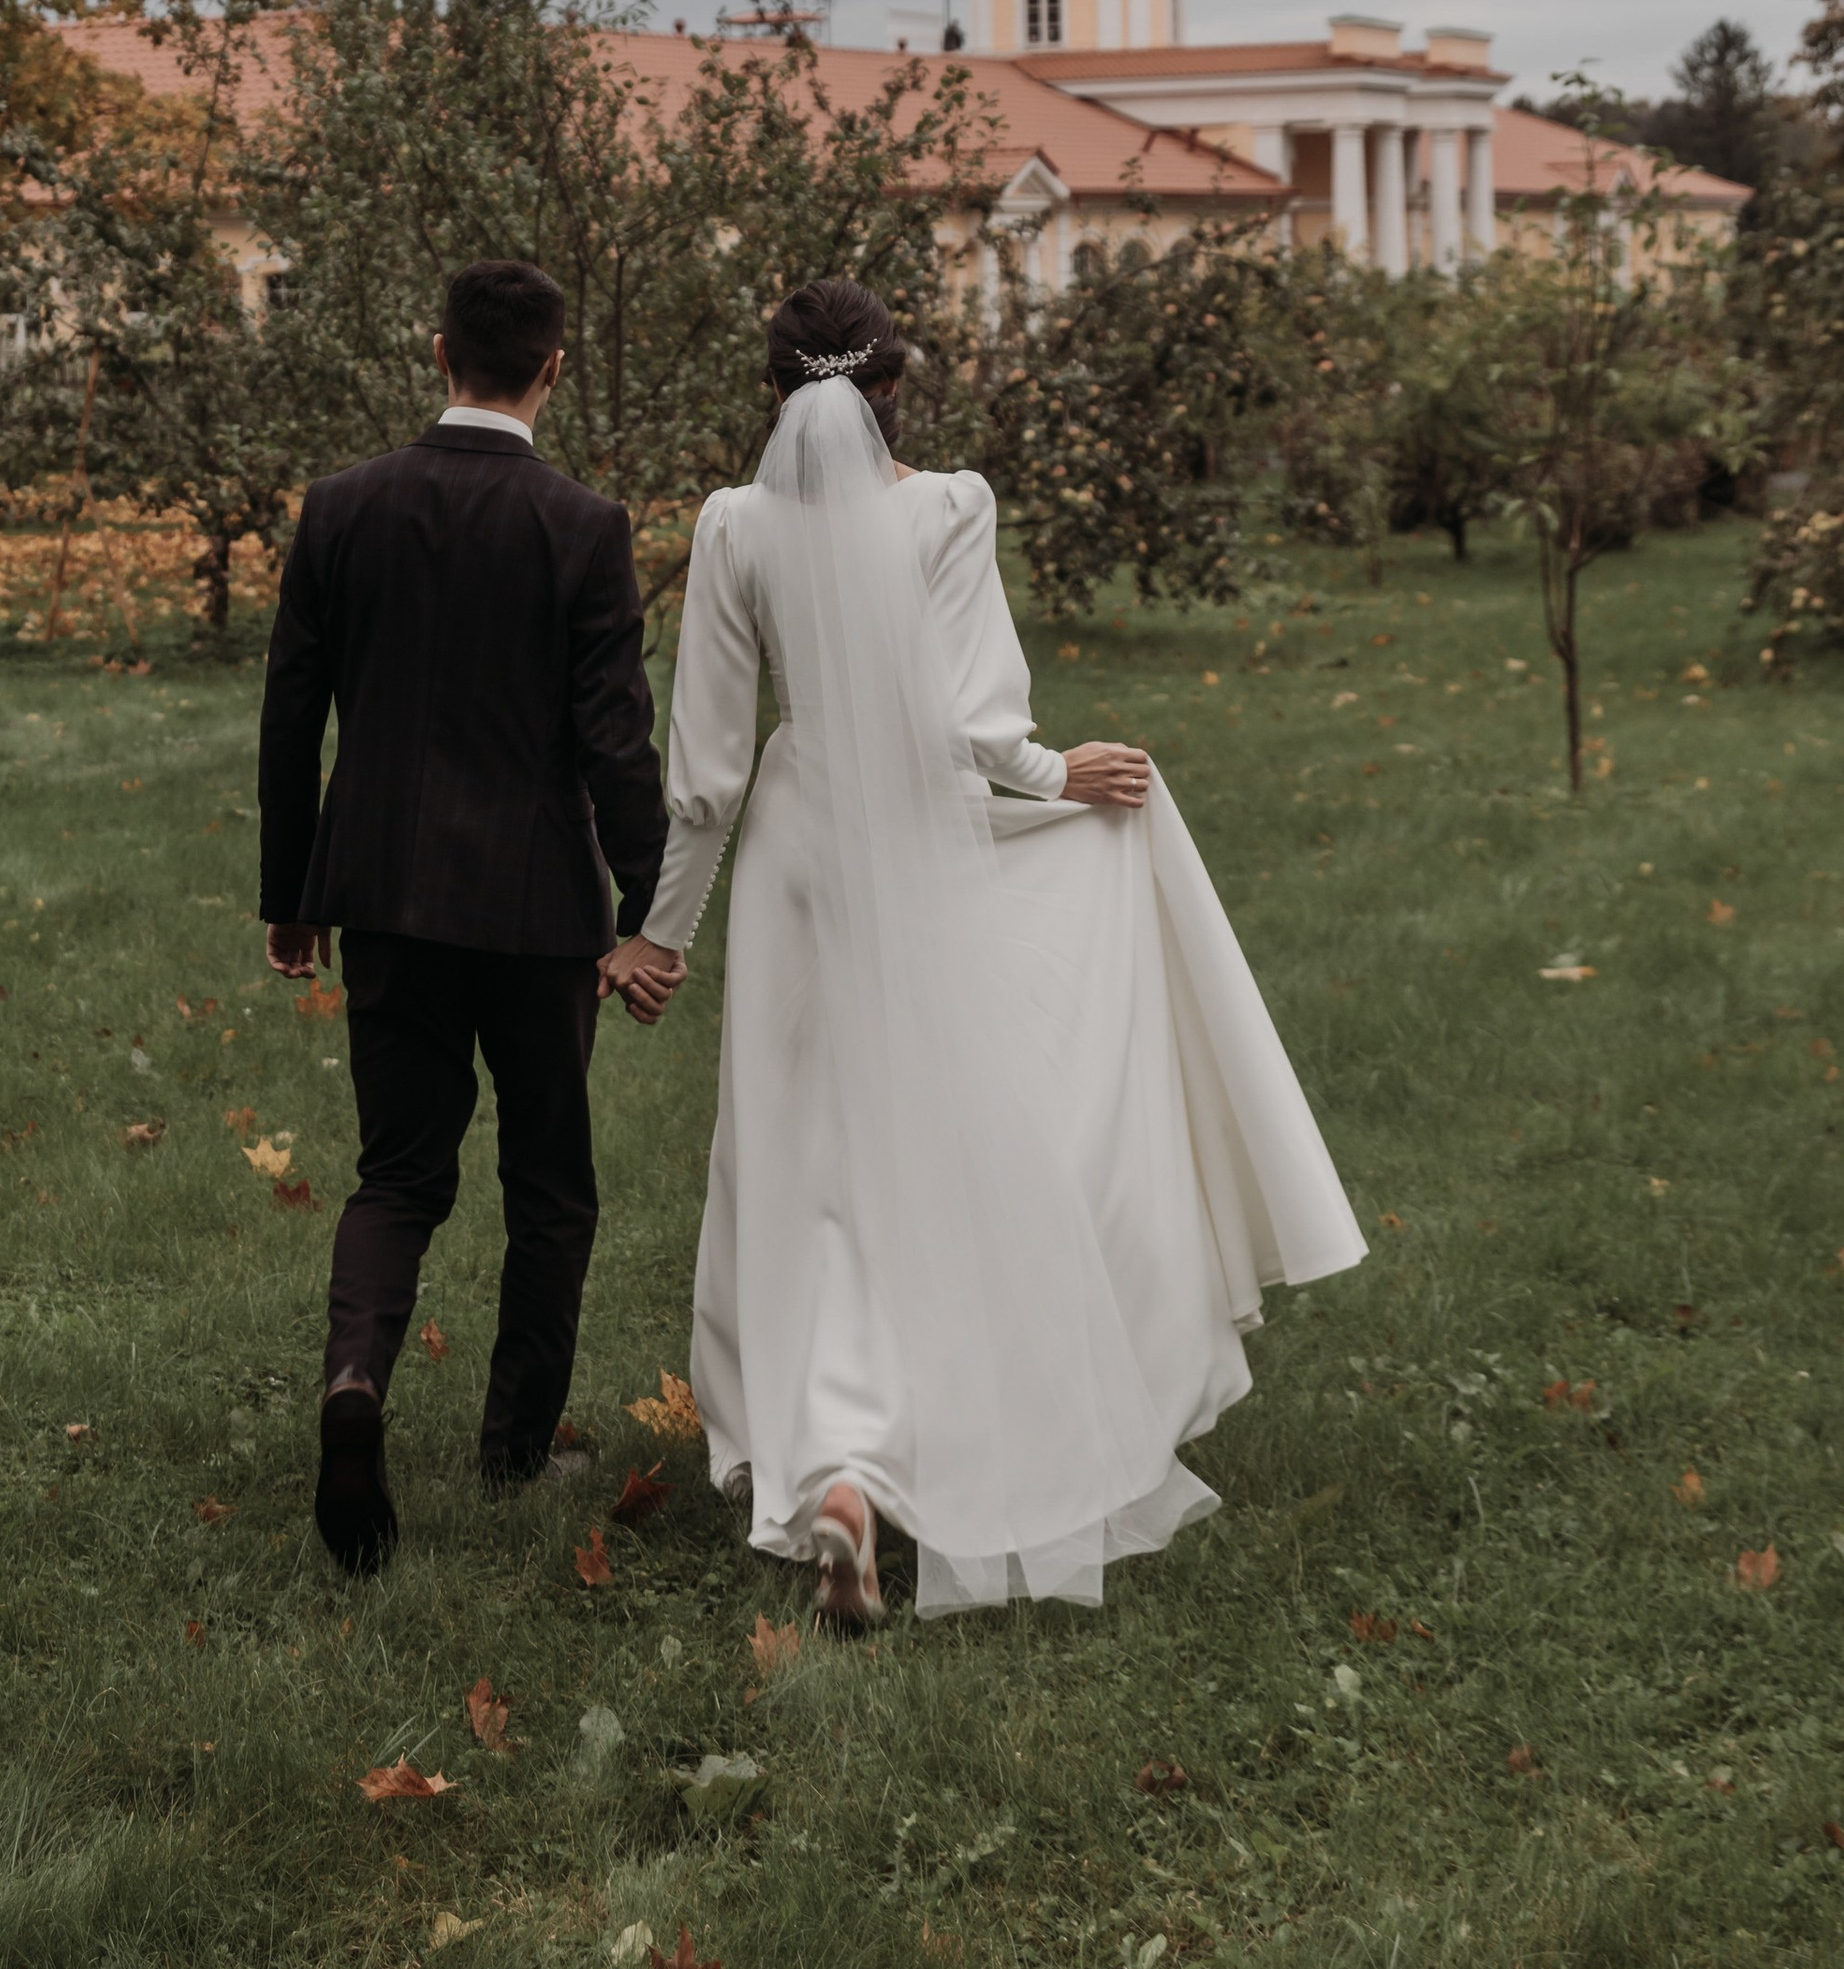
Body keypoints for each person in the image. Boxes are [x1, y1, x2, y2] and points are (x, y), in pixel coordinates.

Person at [610, 278, 1364, 1628]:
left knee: (804, 1161)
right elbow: (976, 715)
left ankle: (836, 1470)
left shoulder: (733, 526)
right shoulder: (951, 507)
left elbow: (709, 772)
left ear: (776, 396)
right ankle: (911, 1442)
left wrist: (661, 936)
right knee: (935, 1141)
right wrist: (1056, 775)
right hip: (921, 836)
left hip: (795, 856)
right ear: (892, 389)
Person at [258, 258, 683, 1573]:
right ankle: (514, 1448)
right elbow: (617, 744)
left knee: (399, 1174)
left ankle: (355, 1378)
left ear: (437, 352)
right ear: (553, 367)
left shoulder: (341, 508)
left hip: (385, 897)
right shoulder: (583, 526)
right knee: (548, 1184)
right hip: (539, 914)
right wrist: (648, 912)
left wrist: (293, 894)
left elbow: (291, 716)